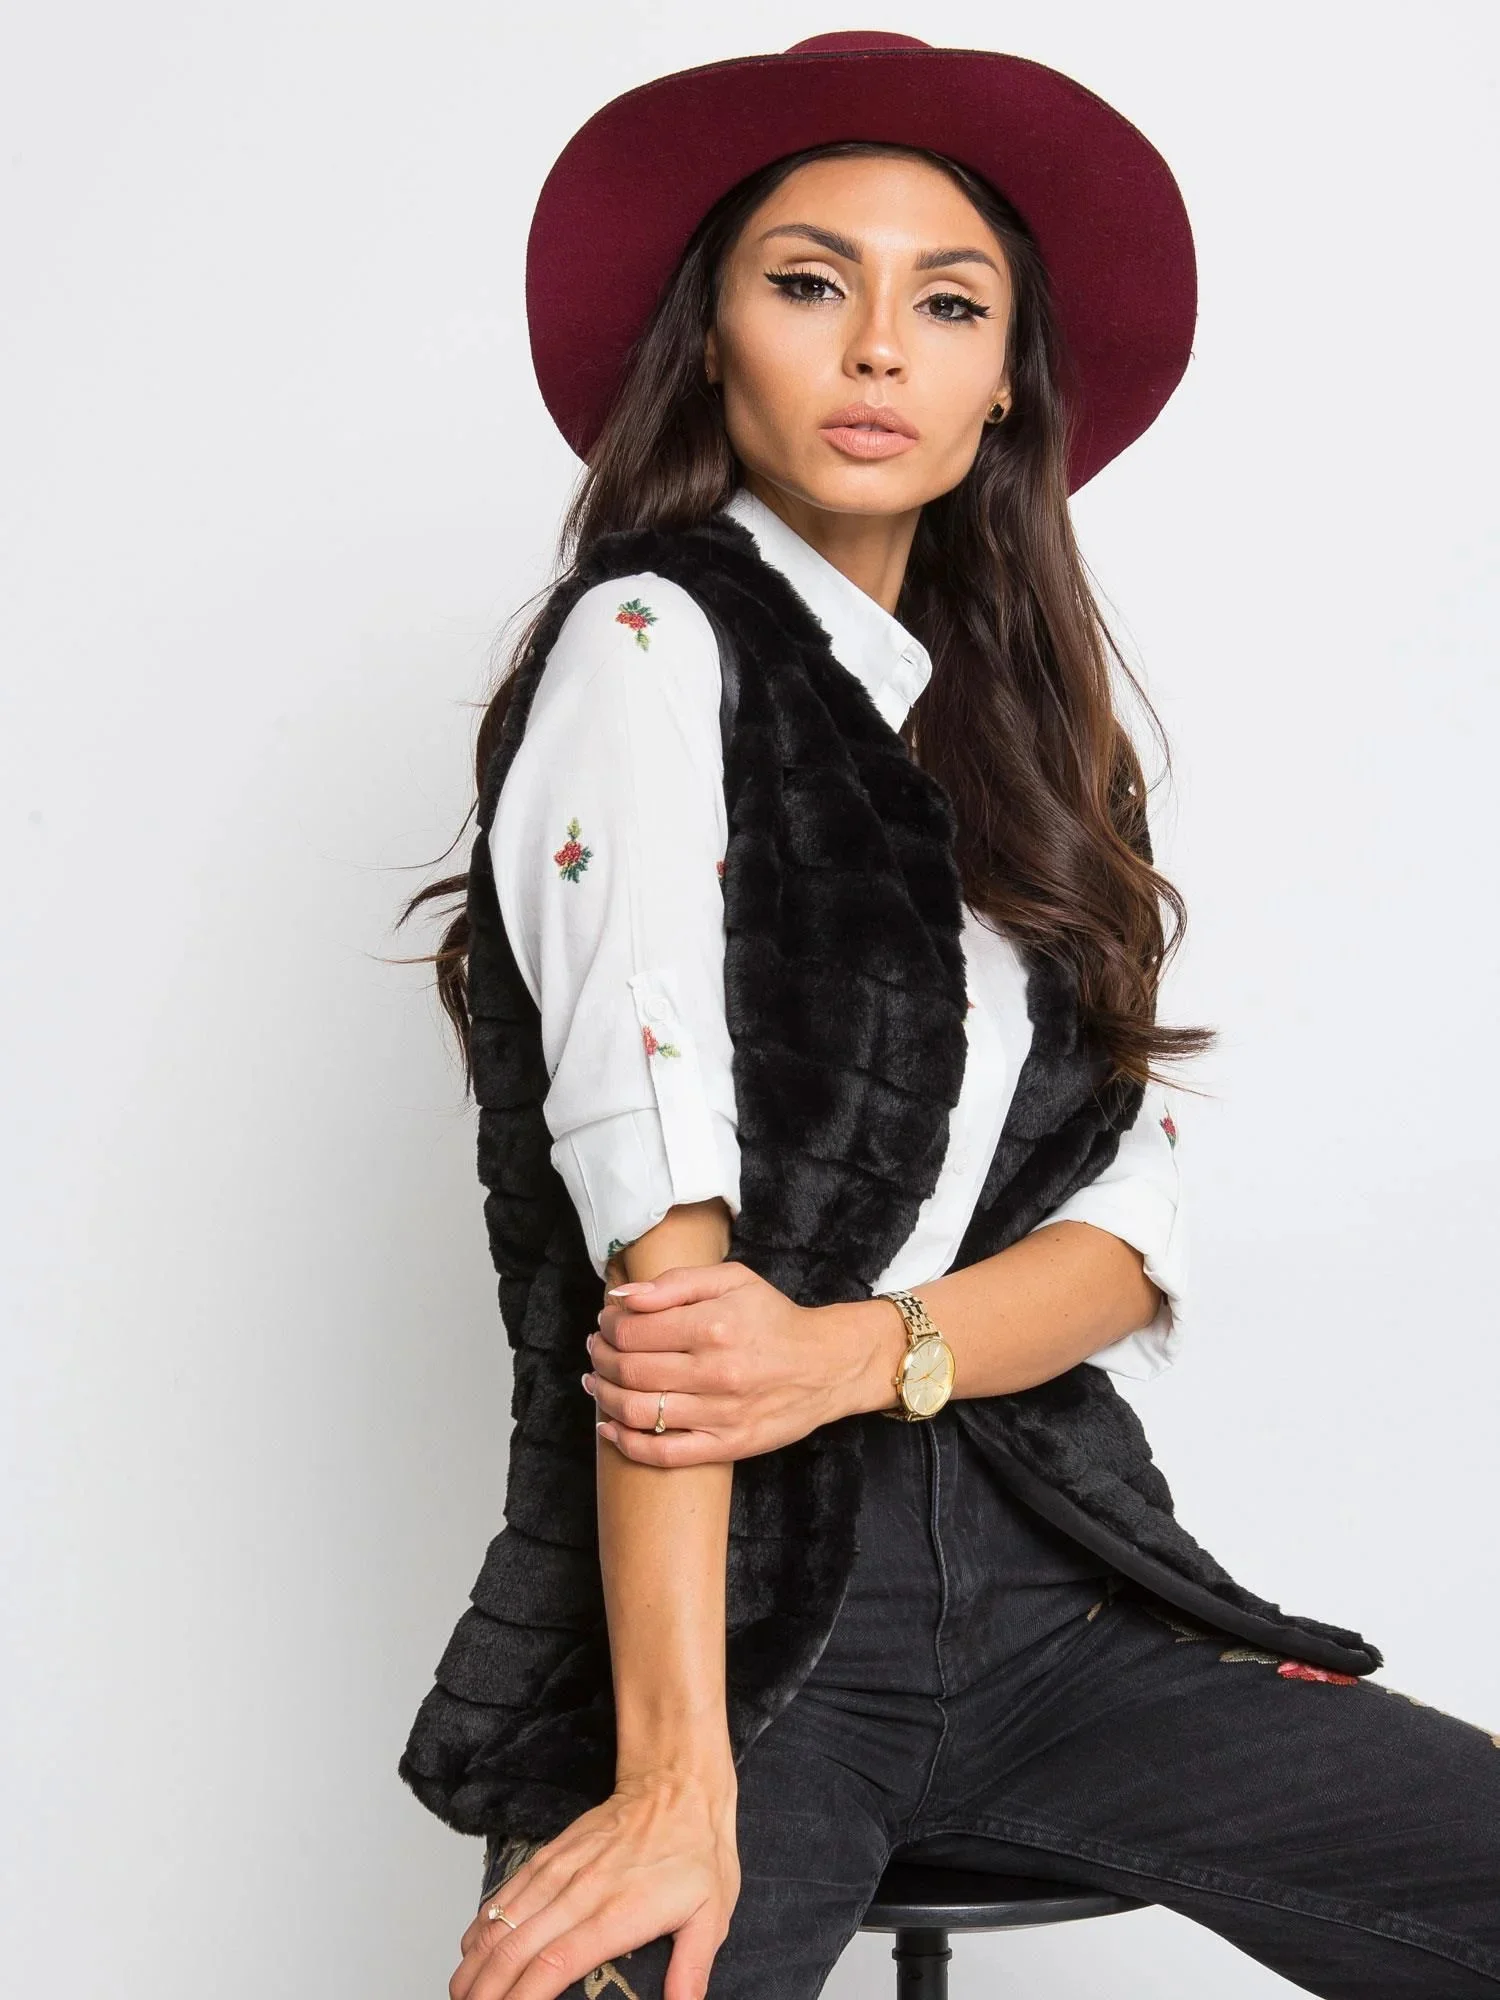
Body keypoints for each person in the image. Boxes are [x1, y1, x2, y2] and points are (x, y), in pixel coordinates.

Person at [396, 33, 1500, 2000]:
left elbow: (1120, 1247)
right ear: (711, 343)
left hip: (1040, 1594)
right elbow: (671, 1297)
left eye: (951, 303)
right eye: (809, 281)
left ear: (1005, 386)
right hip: (739, 1625)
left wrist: (856, 1354)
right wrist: (672, 1777)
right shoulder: (650, 643)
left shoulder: (1028, 748)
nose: (878, 348)